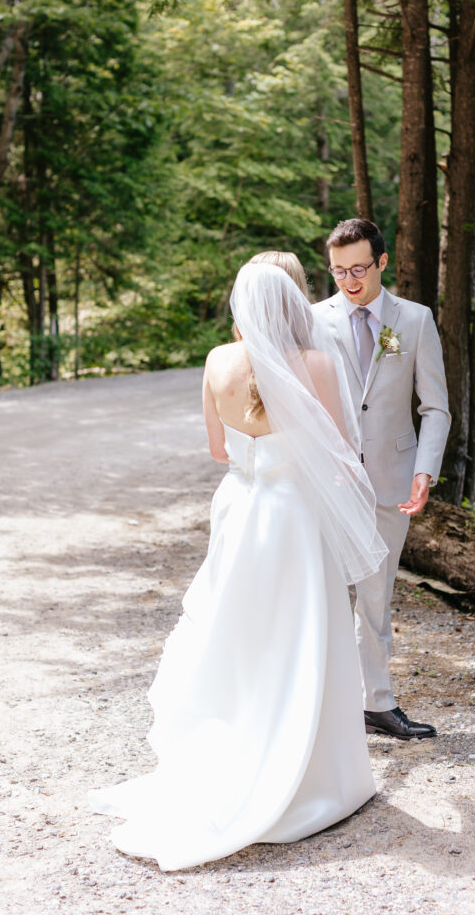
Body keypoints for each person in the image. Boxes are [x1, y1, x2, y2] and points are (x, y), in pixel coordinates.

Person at [88, 258, 386, 871]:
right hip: (295, 522)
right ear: (293, 306)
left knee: (240, 639)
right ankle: (318, 779)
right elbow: (339, 452)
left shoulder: (216, 362)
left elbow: (218, 449)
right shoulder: (318, 364)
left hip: (240, 514)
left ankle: (235, 748)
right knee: (304, 637)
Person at [313, 218, 450, 741]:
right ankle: (323, 706)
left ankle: (377, 703)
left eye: (359, 269)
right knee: (322, 592)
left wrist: (425, 470)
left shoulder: (413, 321)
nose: (349, 280)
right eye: (339, 270)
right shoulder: (313, 319)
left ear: (382, 262)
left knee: (375, 596)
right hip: (329, 480)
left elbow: (435, 407)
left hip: (394, 478)